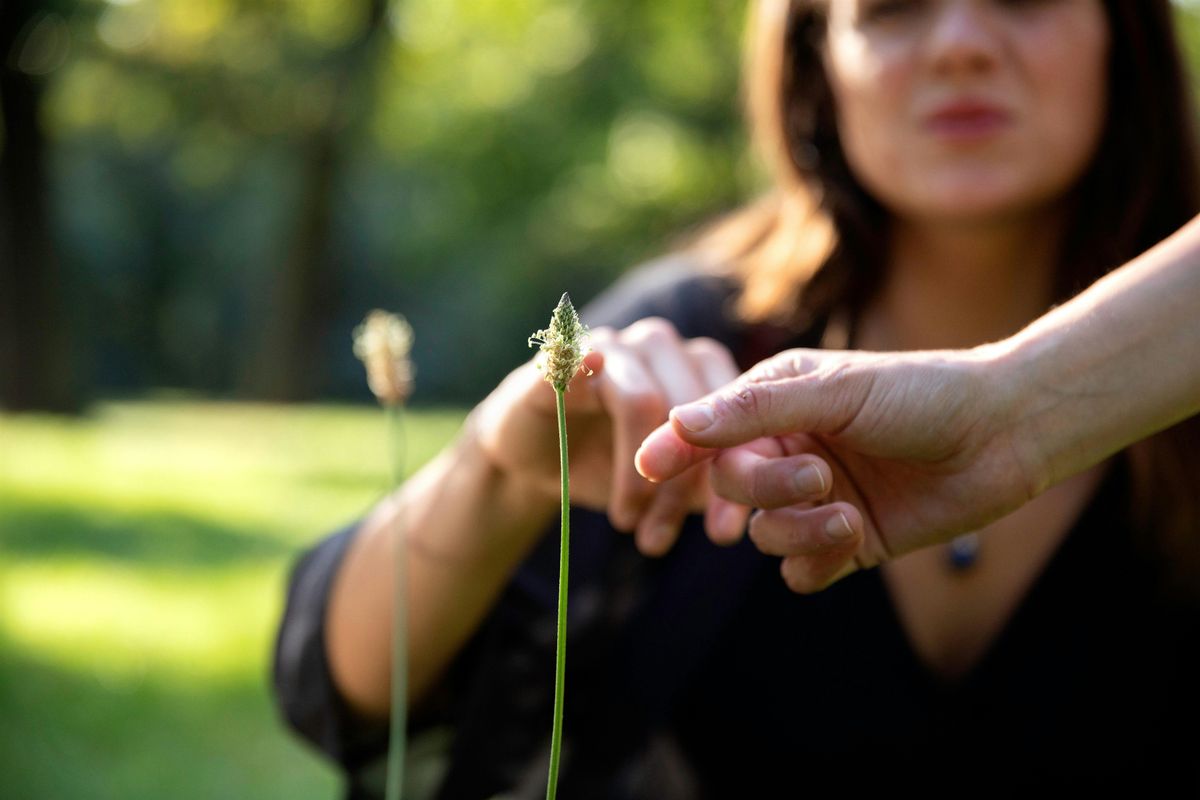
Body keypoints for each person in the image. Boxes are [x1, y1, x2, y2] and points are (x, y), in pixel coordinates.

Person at [272, 1, 1200, 796]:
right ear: (817, 61)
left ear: (1124, 34)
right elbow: (335, 686)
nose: (961, 41)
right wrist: (498, 476)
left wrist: (1024, 402)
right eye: (890, 7)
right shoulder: (689, 339)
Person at [636, 209, 1200, 592]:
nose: (960, 45)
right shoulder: (696, 318)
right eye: (891, 21)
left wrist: (1014, 406)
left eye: (1025, 19)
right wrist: (544, 480)